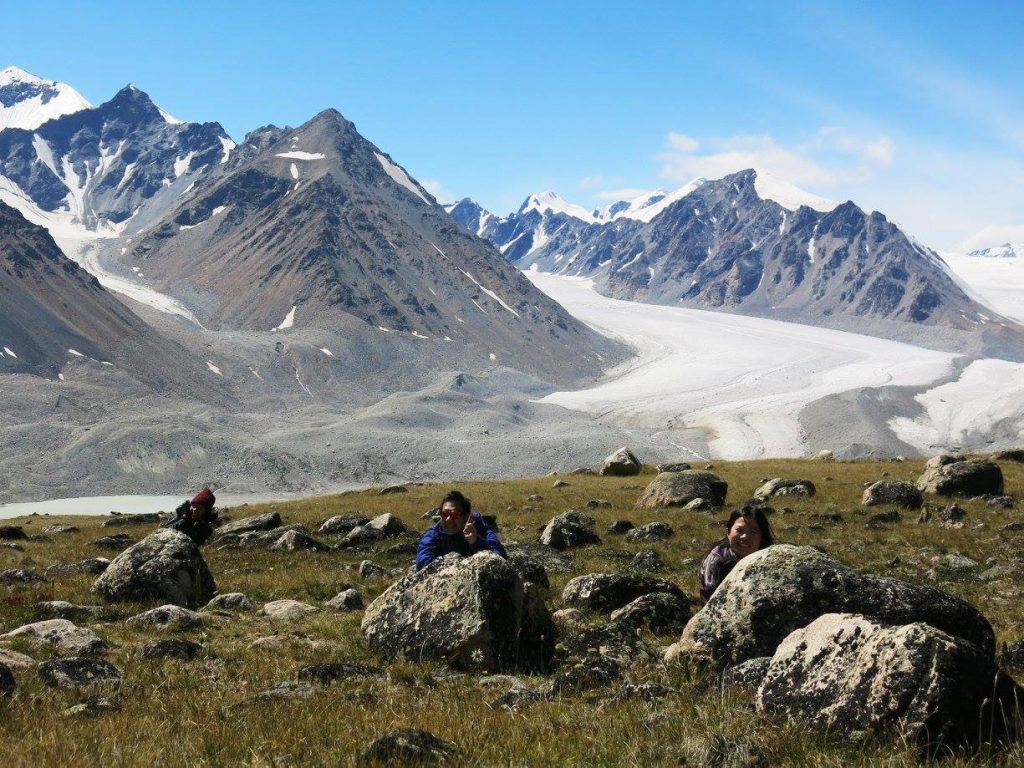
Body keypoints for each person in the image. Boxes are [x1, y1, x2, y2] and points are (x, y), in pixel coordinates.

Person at [698, 502, 775, 603]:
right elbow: (710, 601)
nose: (745, 537)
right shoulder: (717, 559)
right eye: (739, 530)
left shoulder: (770, 557)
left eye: (753, 532)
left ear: (762, 537)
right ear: (728, 532)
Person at [416, 489, 507, 570]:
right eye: (444, 514)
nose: (448, 519)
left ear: (466, 518)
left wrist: (476, 542)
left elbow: (500, 558)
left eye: (454, 515)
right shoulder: (433, 534)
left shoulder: (482, 530)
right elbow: (422, 562)